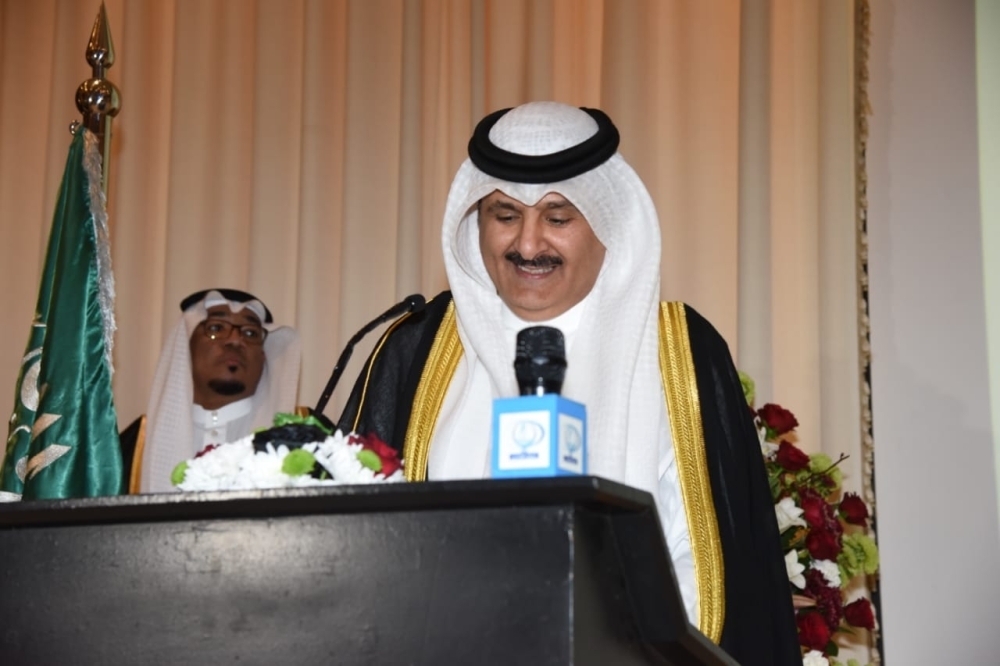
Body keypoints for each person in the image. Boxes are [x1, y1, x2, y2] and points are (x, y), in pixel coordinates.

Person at [337, 102, 801, 664]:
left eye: (558, 219)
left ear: (607, 223)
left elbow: (704, 563)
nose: (528, 246)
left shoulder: (678, 350)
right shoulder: (419, 347)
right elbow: (357, 546)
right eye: (505, 214)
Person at [120, 288, 301, 493]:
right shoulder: (133, 447)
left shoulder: (304, 436)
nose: (235, 340)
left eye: (250, 333)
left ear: (264, 355)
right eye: (216, 327)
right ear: (185, 347)